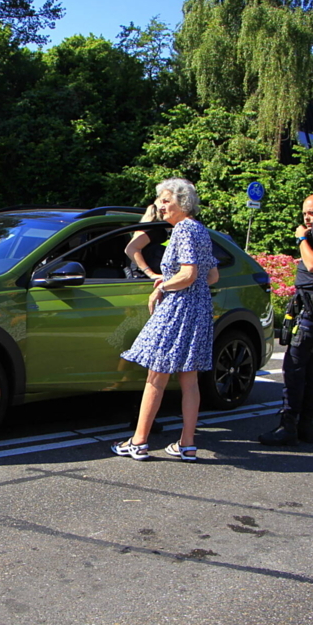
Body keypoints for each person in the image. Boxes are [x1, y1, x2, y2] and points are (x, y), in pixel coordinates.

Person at [112, 177, 219, 462]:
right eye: (160, 200)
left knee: (155, 378)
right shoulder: (200, 230)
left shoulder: (183, 230)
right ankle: (187, 445)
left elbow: (189, 274)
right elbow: (212, 276)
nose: (160, 205)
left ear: (182, 203)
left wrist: (162, 285)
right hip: (199, 309)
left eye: (166, 200)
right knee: (190, 379)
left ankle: (138, 442)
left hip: (179, 308)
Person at [258, 193, 313, 447]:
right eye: (305, 213)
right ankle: (306, 427)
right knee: (309, 370)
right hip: (312, 310)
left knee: (294, 369)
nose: (307, 218)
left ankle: (289, 426)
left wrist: (301, 239)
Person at [125, 204, 170, 280]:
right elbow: (130, 249)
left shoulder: (146, 229)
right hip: (141, 277)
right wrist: (151, 274)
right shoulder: (153, 230)